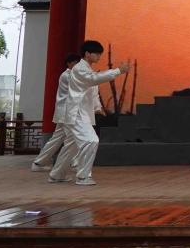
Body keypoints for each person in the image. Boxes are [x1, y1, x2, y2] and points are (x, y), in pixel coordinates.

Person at [48, 40, 130, 186]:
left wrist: (97, 107)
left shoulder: (86, 69)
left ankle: (56, 175)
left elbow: (93, 90)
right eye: (96, 54)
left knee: (71, 146)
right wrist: (118, 70)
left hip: (79, 112)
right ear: (87, 54)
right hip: (77, 113)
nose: (99, 56)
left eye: (100, 54)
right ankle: (83, 176)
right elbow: (94, 79)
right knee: (91, 140)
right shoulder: (79, 69)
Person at [31, 53, 82, 172]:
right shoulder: (67, 76)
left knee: (58, 139)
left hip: (66, 113)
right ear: (68, 64)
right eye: (75, 63)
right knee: (74, 138)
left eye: (78, 63)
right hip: (66, 113)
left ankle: (39, 163)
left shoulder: (71, 75)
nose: (77, 66)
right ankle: (74, 164)